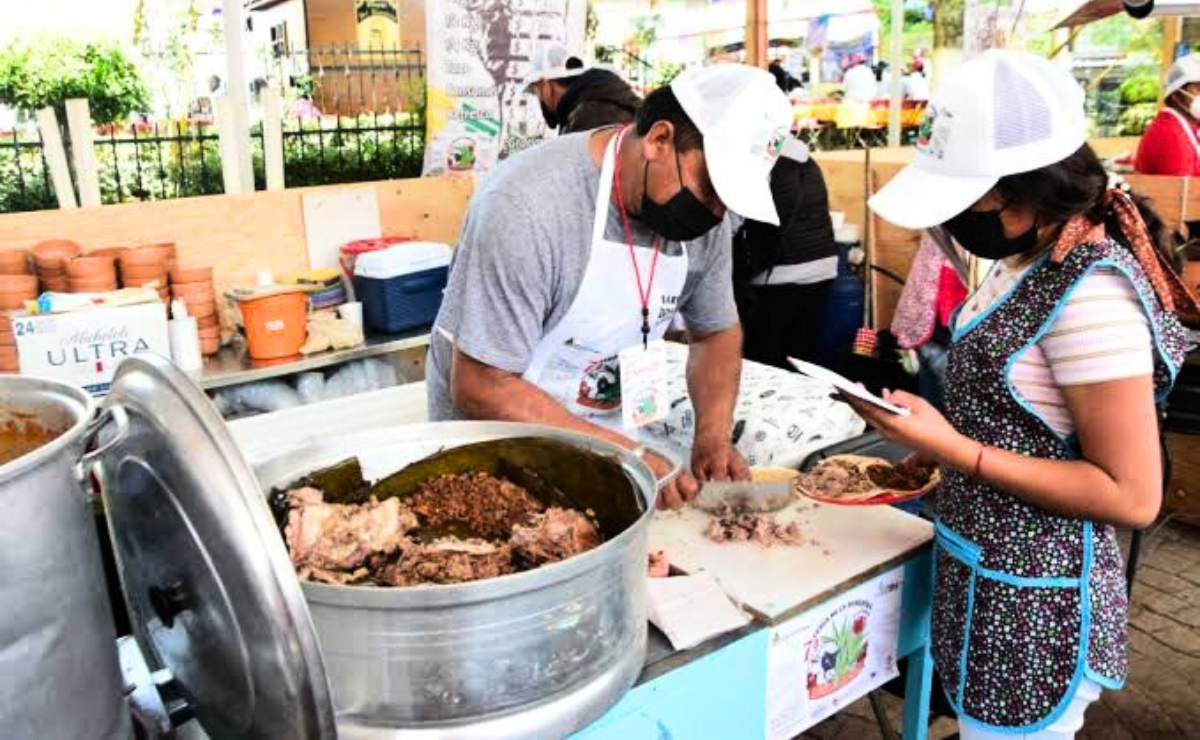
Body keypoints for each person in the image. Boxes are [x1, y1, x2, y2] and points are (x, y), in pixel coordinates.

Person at [862, 50, 1198, 739]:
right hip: (989, 581)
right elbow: (1027, 420)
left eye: (964, 194)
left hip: (1034, 616)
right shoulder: (1028, 255)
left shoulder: (1091, 293)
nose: (954, 216)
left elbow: (1133, 495)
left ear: (1018, 191)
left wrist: (954, 448)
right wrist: (938, 459)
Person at [428, 64, 793, 509]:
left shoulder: (707, 224)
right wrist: (625, 455)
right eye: (712, 188)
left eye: (729, 200)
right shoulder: (527, 205)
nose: (716, 214)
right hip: (495, 452)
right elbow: (482, 385)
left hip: (607, 444)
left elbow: (717, 332)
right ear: (660, 140)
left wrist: (713, 437)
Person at [733, 135, 837, 369]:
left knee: (762, 361)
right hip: (824, 268)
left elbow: (740, 221)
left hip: (780, 274)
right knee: (799, 359)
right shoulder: (807, 160)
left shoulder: (763, 161)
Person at [526, 43, 642, 134]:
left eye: (536, 91)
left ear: (546, 87)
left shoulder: (582, 121)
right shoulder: (610, 94)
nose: (539, 99)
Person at [1134, 54, 1200, 176]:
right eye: (1199, 89)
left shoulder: (1192, 126)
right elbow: (1179, 190)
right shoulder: (1169, 131)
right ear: (1176, 94)